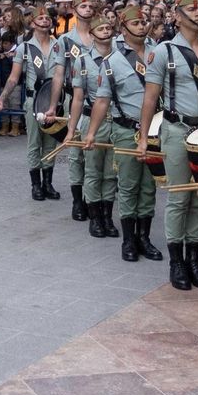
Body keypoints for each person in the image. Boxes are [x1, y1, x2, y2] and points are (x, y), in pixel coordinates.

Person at [138, 0, 198, 290]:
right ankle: (177, 261)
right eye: (191, 10)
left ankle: (195, 260)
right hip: (176, 129)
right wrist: (144, 137)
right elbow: (150, 97)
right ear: (177, 15)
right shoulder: (164, 51)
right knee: (179, 197)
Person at [86, 5, 161, 263]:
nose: (142, 26)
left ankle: (145, 238)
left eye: (144, 22)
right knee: (128, 186)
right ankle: (128, 240)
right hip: (126, 129)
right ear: (123, 27)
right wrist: (92, 133)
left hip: (154, 132)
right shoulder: (112, 62)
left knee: (149, 186)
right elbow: (102, 101)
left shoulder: (158, 54)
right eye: (136, 23)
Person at [0, 5, 64, 201]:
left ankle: (48, 183)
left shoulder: (59, 45)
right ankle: (36, 185)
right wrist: (2, 98)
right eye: (40, 18)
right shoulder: (25, 47)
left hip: (54, 102)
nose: (45, 20)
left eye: (47, 18)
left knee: (51, 144)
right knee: (34, 143)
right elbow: (14, 78)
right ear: (32, 23)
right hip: (33, 101)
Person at [70, 15, 119, 239]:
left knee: (111, 172)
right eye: (100, 28)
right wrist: (72, 128)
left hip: (116, 119)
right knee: (92, 171)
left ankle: (108, 216)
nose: (106, 31)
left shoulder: (121, 58)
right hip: (93, 120)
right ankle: (95, 216)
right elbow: (78, 98)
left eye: (109, 28)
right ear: (91, 34)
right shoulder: (82, 60)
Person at [56, 0, 98, 219]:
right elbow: (59, 73)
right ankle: (77, 199)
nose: (88, 9)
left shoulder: (100, 36)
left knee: (93, 149)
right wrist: (53, 104)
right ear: (74, 9)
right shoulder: (65, 40)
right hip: (74, 98)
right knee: (75, 151)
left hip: (98, 99)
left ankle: (93, 198)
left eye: (91, 6)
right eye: (83, 5)